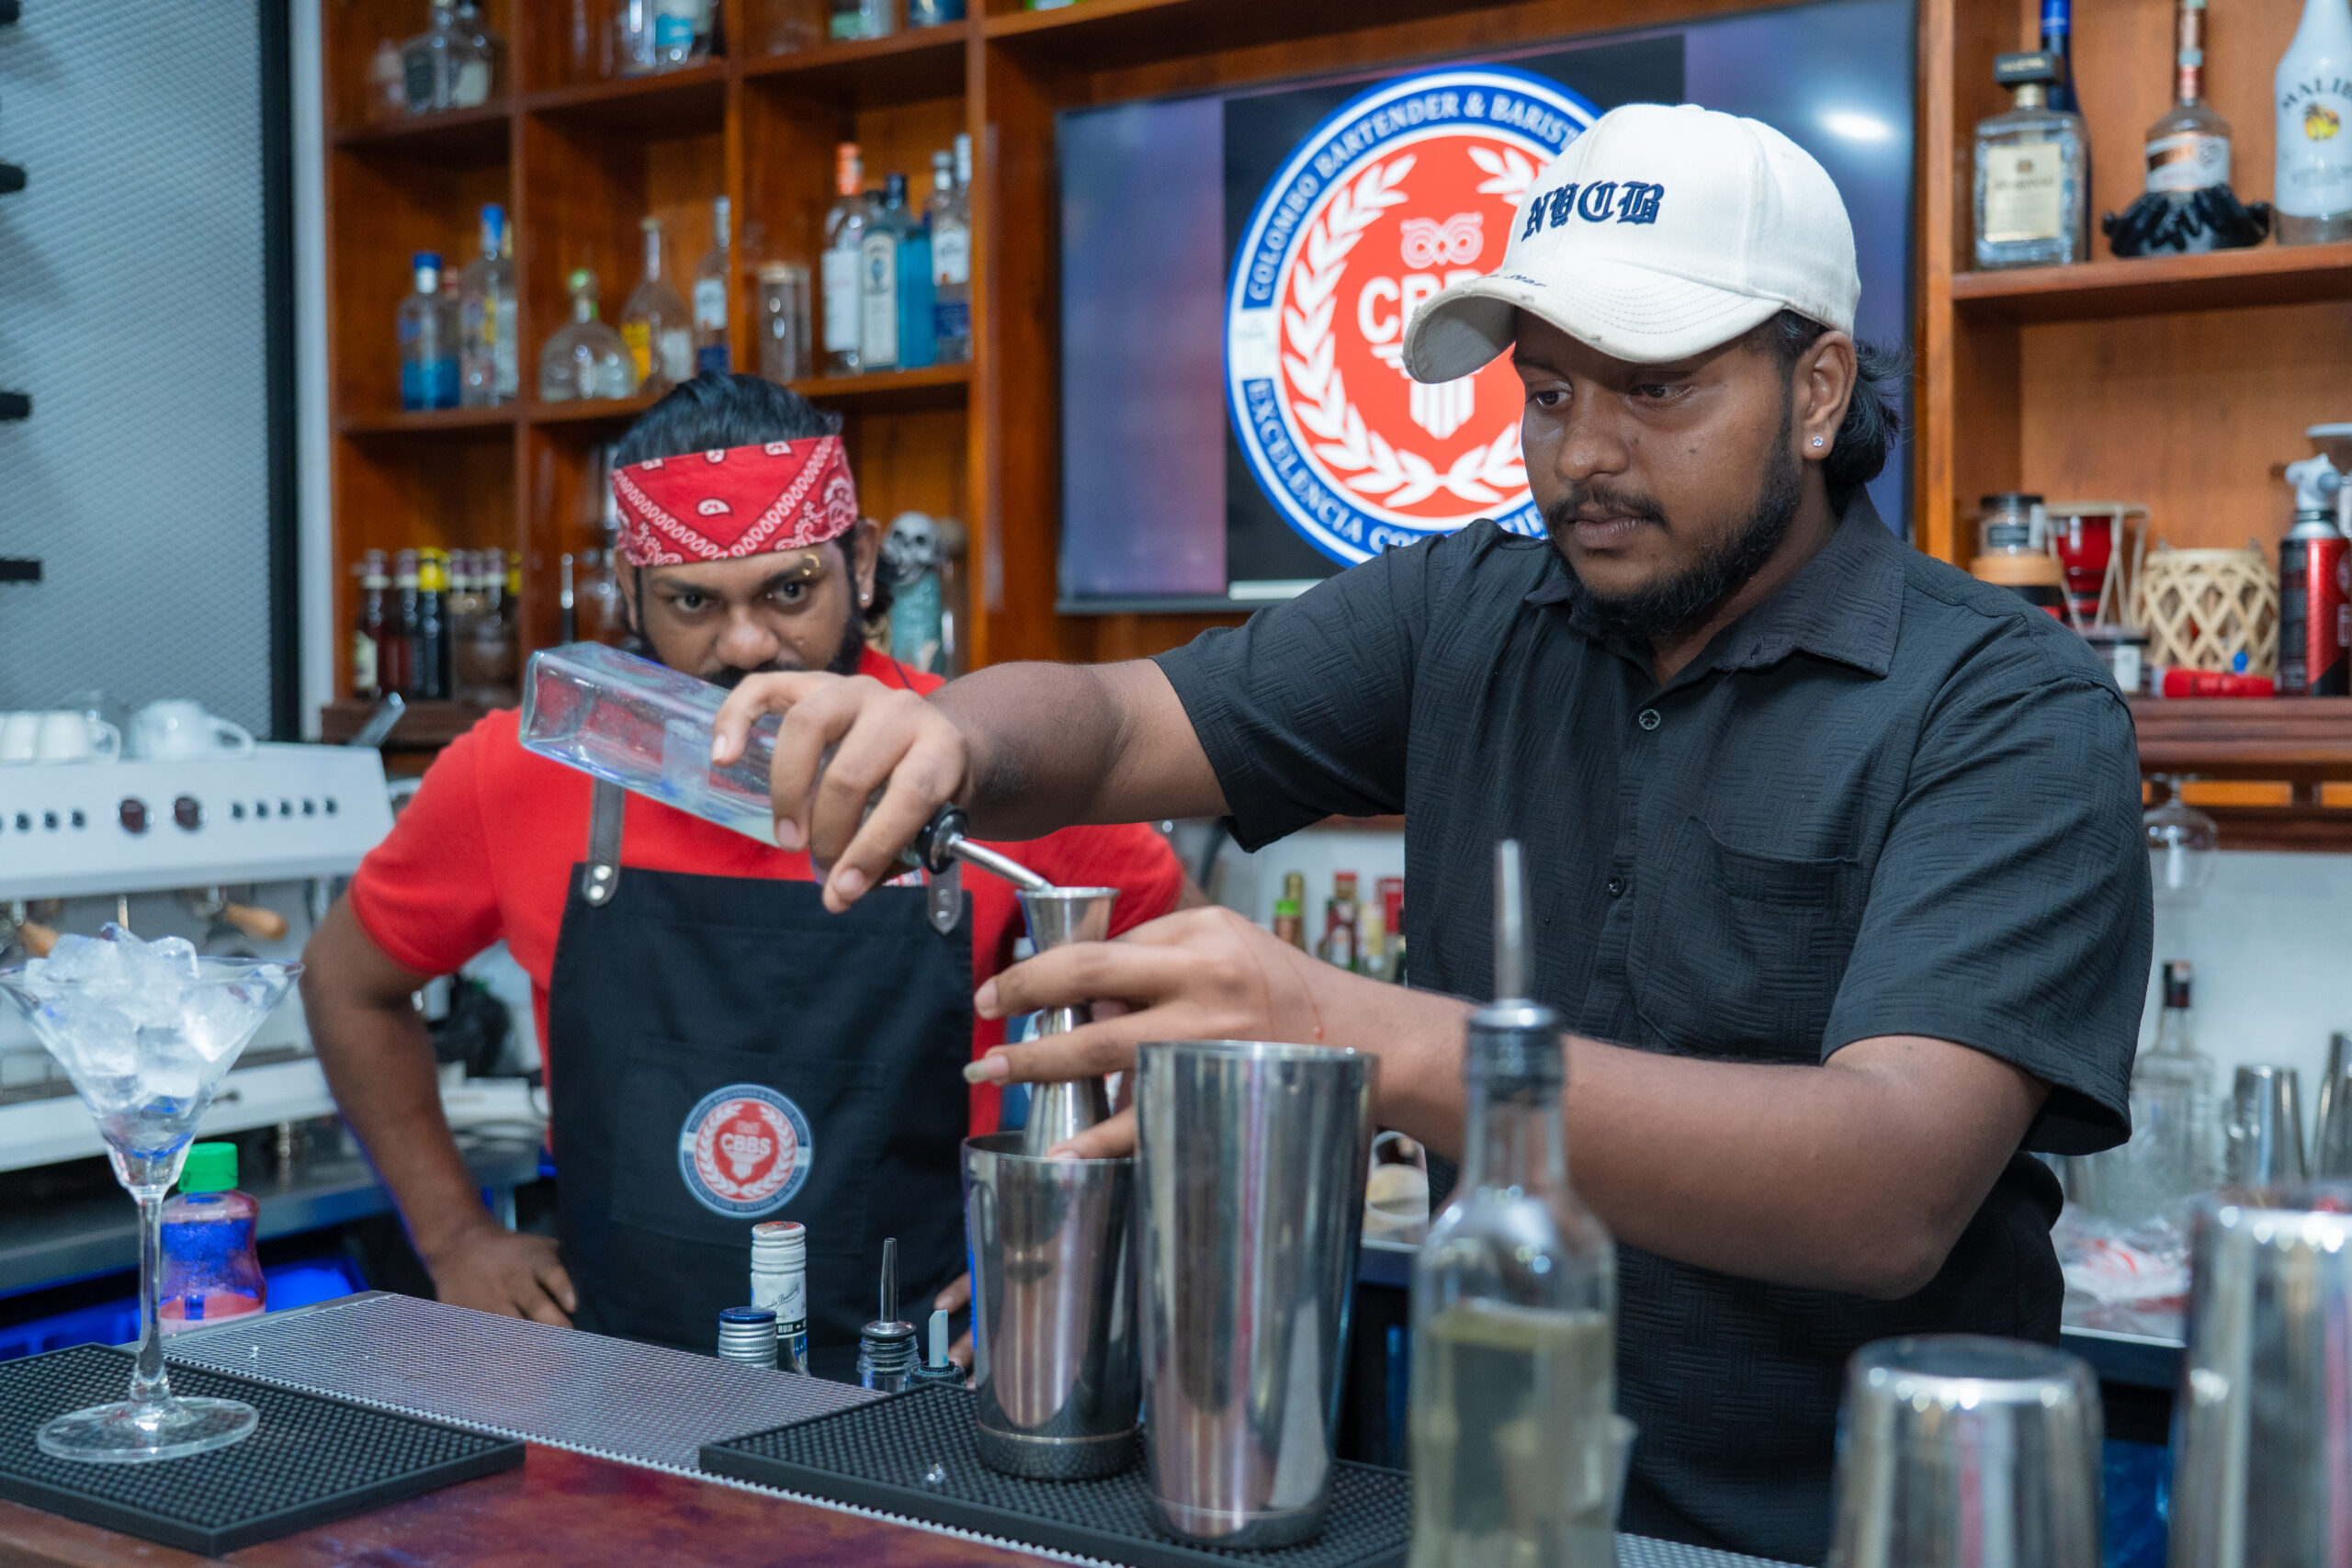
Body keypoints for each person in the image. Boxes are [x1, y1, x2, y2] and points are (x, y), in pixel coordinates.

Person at [707, 107, 2148, 1562]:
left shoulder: (2004, 704)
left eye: (1656, 387)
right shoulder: (1468, 612)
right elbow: (1120, 719)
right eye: (1549, 390)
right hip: (1488, 1518)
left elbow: (1890, 1186)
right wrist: (949, 732)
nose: (1585, 451)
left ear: (1819, 389)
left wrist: (1358, 1031)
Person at [301, 374, 1190, 1359]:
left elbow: (1191, 998)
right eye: (692, 601)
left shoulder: (978, 761)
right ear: (628, 586)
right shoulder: (518, 770)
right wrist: (454, 1237)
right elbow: (346, 983)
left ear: (860, 560)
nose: (746, 644)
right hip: (612, 1376)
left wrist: (1064, 1243)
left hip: (906, 1378)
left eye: (789, 590)